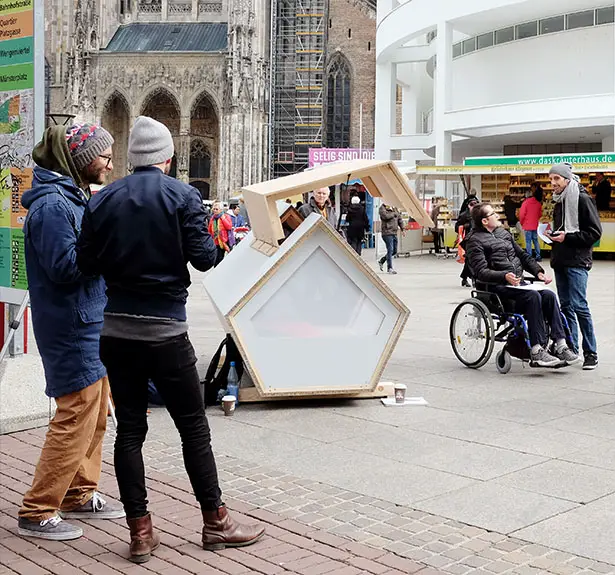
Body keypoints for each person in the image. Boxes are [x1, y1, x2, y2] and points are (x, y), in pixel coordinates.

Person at [76, 116, 265, 563]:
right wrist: (218, 247)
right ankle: (216, 522)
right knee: (192, 427)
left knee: (130, 433)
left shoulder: (103, 200)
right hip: (165, 331)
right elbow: (203, 260)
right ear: (166, 157)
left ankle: (140, 532)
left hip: (116, 331)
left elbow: (84, 264)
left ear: (130, 157)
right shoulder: (183, 196)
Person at [17, 123, 125, 541]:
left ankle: (79, 491)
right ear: (80, 161)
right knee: (75, 413)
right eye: (104, 156)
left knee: (96, 413)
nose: (110, 163)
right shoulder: (51, 207)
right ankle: (38, 508)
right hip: (69, 326)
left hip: (87, 320)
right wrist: (105, 249)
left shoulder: (69, 198)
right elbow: (63, 267)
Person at [466, 202, 579, 368]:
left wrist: (538, 272)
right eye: (493, 214)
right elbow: (480, 272)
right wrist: (504, 276)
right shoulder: (474, 241)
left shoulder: (503, 233)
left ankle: (560, 344)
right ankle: (536, 350)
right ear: (484, 221)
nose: (497, 216)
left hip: (517, 284)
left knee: (548, 295)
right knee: (532, 297)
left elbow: (522, 255)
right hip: (496, 289)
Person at [546, 163, 602, 370]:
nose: (552, 184)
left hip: (578, 260)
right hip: (560, 260)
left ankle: (591, 352)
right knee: (566, 307)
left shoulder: (583, 199)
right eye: (551, 179)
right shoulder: (559, 201)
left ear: (567, 179)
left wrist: (567, 237)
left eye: (556, 179)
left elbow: (594, 233)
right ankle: (571, 349)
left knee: (579, 306)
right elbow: (564, 230)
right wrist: (553, 235)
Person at [455, 195, 479, 287]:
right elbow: (457, 227)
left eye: (475, 204)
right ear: (468, 205)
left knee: (471, 259)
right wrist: (465, 226)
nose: (473, 206)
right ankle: (473, 278)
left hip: (478, 239)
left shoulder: (479, 214)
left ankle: (464, 278)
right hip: (468, 240)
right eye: (471, 204)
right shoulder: (464, 215)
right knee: (470, 259)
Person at [378, 203, 405, 274]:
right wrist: (393, 214)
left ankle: (382, 260)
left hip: (394, 232)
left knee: (394, 251)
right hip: (387, 233)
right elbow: (385, 216)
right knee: (390, 249)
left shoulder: (394, 208)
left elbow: (399, 219)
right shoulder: (382, 208)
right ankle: (390, 268)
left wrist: (403, 229)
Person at [519, 183, 543, 261]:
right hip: (534, 225)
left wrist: (522, 222)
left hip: (527, 225)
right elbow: (540, 214)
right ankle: (538, 256)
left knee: (528, 241)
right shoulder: (538, 203)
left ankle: (529, 257)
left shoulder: (525, 203)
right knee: (535, 240)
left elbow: (522, 214)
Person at [208, 201, 234, 266]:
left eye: (217, 209)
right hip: (216, 242)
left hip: (224, 241)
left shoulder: (226, 216)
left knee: (224, 258)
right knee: (217, 259)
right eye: (214, 209)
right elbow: (209, 230)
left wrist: (223, 219)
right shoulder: (212, 218)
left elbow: (229, 227)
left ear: (221, 210)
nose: (215, 210)